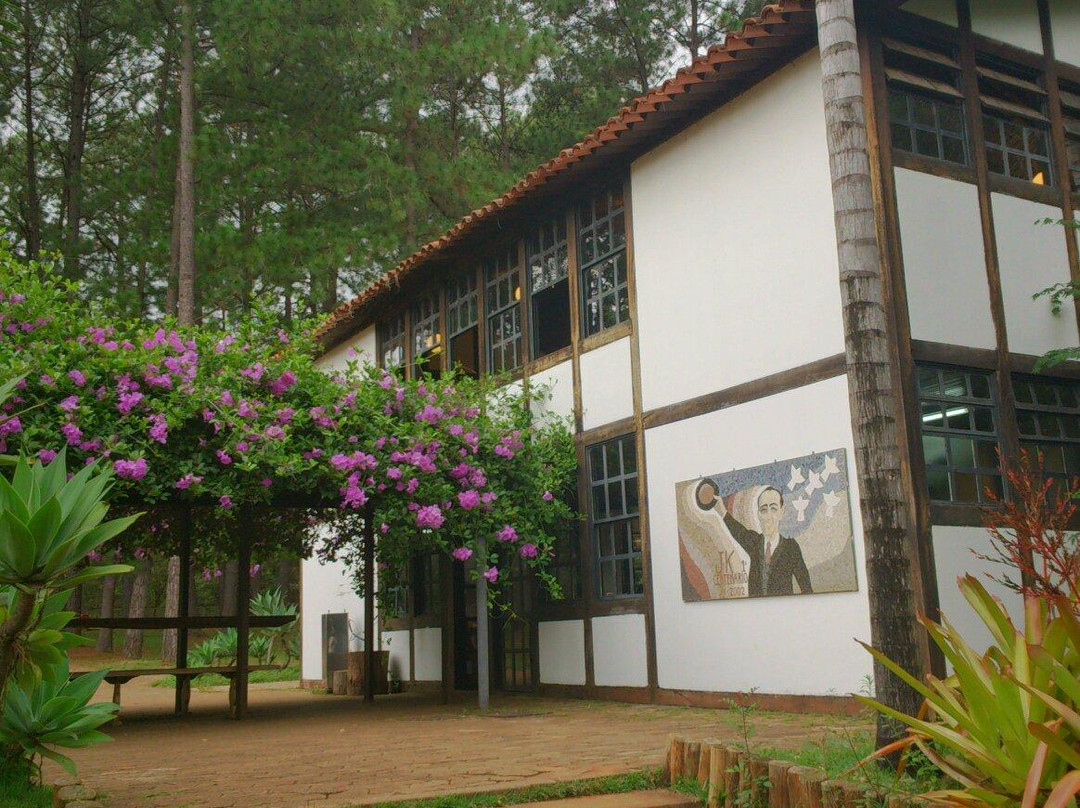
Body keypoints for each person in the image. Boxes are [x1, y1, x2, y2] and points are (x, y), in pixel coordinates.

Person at [695, 479, 812, 597]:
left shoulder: (791, 548)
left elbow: (807, 589)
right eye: (763, 509)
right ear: (758, 514)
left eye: (774, 508)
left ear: (782, 511)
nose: (768, 516)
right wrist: (722, 511)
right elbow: (738, 531)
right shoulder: (754, 542)